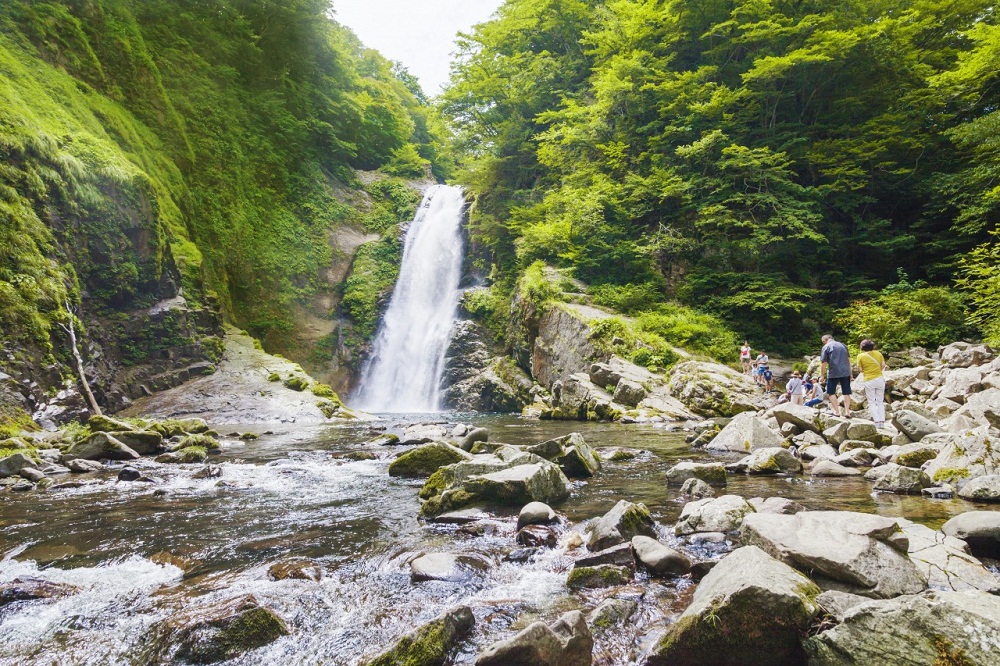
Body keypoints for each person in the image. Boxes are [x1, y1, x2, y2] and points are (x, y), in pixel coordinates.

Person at [856, 338, 887, 427]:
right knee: (880, 401)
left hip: (869, 380)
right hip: (880, 379)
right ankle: (882, 422)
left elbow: (861, 370)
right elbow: (883, 365)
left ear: (862, 347)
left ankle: (877, 422)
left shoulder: (860, 356)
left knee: (872, 402)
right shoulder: (879, 354)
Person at [820, 334, 852, 417]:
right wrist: (850, 373)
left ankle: (837, 411)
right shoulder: (843, 345)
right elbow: (848, 360)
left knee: (831, 392)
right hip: (845, 372)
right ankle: (847, 412)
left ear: (824, 341)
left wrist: (822, 375)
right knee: (846, 392)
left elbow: (823, 362)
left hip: (833, 372)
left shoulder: (826, 347)